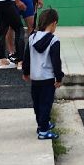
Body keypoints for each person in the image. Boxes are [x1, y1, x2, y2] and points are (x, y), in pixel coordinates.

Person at [21, 8, 64, 139]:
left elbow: (26, 56)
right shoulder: (54, 40)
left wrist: (26, 71)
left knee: (37, 103)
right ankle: (44, 131)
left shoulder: (32, 37)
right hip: (47, 78)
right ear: (53, 23)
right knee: (46, 104)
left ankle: (42, 124)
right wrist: (59, 76)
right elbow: (56, 61)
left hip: (35, 77)